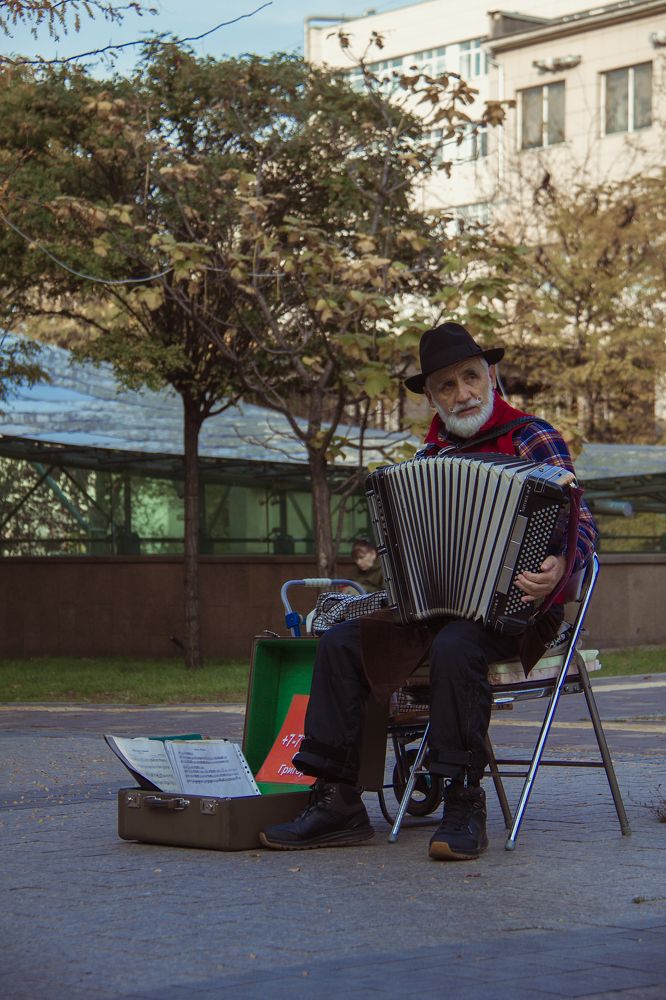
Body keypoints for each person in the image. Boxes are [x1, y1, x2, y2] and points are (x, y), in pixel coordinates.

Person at [260, 321, 597, 860]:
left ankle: (465, 800)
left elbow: (582, 523)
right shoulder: (428, 457)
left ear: (491, 375)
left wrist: (560, 565)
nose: (462, 393)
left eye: (470, 377)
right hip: (438, 610)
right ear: (433, 399)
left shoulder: (534, 435)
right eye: (446, 385)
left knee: (457, 646)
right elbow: (409, 542)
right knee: (343, 640)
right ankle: (339, 802)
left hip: (521, 612)